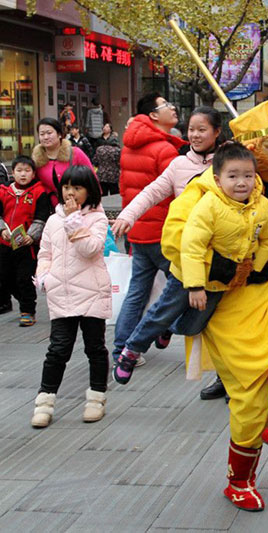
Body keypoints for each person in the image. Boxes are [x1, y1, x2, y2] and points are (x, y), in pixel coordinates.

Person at [161, 100, 268, 511]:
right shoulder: (206, 188)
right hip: (226, 302)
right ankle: (239, 480)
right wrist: (223, 267)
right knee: (249, 396)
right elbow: (176, 239)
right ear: (250, 150)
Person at [113, 141, 268, 386]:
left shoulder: (261, 205)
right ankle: (131, 350)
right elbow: (191, 246)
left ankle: (168, 327)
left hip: (219, 280)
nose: (241, 182)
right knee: (162, 313)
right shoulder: (209, 204)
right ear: (218, 179)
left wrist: (254, 268)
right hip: (187, 276)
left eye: (248, 175)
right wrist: (194, 286)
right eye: (233, 176)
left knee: (192, 326)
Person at [110, 107, 224, 390]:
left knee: (201, 320)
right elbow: (151, 192)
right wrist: (128, 215)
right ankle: (130, 350)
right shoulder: (178, 164)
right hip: (188, 253)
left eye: (202, 130)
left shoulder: (227, 161)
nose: (195, 135)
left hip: (221, 256)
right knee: (168, 303)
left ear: (217, 132)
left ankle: (225, 377)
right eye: (192, 130)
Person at [31, 166, 111, 428]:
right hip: (61, 294)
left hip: (91, 292)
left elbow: (90, 249)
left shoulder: (97, 218)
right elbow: (45, 254)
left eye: (77, 188)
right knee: (57, 350)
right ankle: (44, 403)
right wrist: (44, 277)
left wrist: (74, 219)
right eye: (66, 187)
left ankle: (96, 399)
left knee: (94, 348)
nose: (70, 193)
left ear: (89, 191)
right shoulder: (53, 220)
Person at [113, 93, 186, 367]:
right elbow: (180, 194)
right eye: (166, 105)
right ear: (153, 115)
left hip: (138, 232)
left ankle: (120, 348)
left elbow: (124, 189)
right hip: (163, 233)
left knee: (137, 292)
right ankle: (165, 327)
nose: (173, 108)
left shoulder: (129, 146)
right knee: (183, 285)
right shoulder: (163, 149)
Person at [0, 156, 49, 326]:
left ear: (34, 173)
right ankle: (22, 299)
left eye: (27, 171)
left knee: (24, 278)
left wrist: (32, 236)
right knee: (5, 277)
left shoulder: (39, 192)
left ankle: (28, 311)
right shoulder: (4, 191)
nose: (23, 174)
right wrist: (2, 230)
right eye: (19, 171)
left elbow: (41, 217)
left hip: (27, 246)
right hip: (5, 244)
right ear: (12, 173)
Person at [32, 118, 93, 206]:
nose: (45, 137)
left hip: (79, 205)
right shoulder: (36, 160)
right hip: (49, 208)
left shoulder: (75, 153)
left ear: (59, 134)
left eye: (49, 133)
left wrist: (94, 204)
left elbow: (92, 179)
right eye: (42, 134)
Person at [94, 123, 122, 195]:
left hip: (102, 175)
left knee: (103, 194)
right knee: (115, 194)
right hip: (113, 175)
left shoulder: (99, 149)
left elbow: (95, 161)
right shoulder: (117, 151)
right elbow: (120, 162)